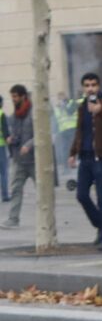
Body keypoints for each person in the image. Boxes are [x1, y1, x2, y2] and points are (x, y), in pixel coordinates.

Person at [67, 71, 102, 251]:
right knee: (81, 195)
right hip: (85, 157)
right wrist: (73, 152)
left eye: (93, 85)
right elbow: (79, 131)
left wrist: (100, 111)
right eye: (87, 85)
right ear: (83, 88)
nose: (90, 88)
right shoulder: (82, 107)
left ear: (98, 86)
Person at [5, 85, 32, 227]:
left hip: (34, 160)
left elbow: (40, 134)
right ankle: (13, 219)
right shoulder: (15, 115)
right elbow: (14, 133)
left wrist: (28, 145)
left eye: (15, 96)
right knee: (16, 189)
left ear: (23, 96)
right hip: (19, 160)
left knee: (43, 191)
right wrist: (11, 138)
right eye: (12, 97)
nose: (13, 100)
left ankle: (47, 219)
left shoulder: (33, 112)